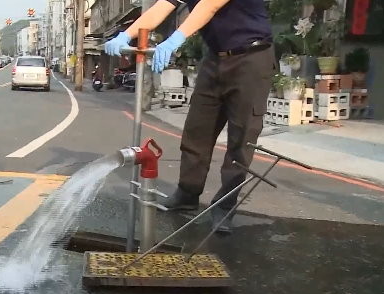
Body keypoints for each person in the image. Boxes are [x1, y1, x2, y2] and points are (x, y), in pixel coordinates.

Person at [105, 0, 275, 234]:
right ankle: (188, 193)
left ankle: (224, 205)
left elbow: (209, 5)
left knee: (241, 138)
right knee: (197, 130)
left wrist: (175, 40)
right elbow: (162, 7)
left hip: (251, 57)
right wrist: (126, 35)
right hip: (214, 59)